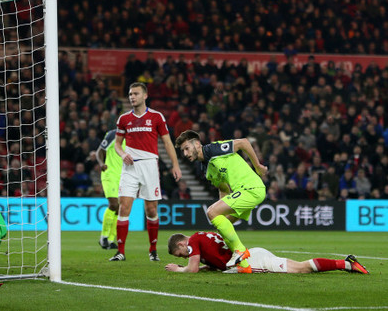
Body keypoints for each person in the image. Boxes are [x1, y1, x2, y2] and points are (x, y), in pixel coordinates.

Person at [174, 130, 267, 273]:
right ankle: (244, 267)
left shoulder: (214, 149)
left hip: (251, 188)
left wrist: (257, 166)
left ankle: (240, 250)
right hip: (243, 193)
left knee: (211, 212)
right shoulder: (207, 170)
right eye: (183, 151)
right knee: (222, 225)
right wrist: (221, 214)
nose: (185, 154)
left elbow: (244, 142)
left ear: (197, 144)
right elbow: (223, 189)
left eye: (187, 148)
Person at [110, 82, 182, 262]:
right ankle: (120, 252)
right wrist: (123, 153)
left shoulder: (156, 117)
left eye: (135, 93)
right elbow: (118, 145)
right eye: (129, 94)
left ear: (145, 95)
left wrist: (175, 165)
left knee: (151, 209)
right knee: (124, 207)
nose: (131, 97)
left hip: (150, 165)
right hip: (130, 167)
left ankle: (152, 250)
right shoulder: (124, 119)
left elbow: (167, 142)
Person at [165, 232, 369, 274]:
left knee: (301, 268)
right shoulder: (203, 236)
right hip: (252, 254)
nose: (184, 257)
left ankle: (347, 264)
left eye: (180, 254)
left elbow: (191, 269)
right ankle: (347, 264)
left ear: (183, 243)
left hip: (251, 261)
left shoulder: (192, 241)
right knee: (300, 267)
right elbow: (213, 262)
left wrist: (178, 269)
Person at [96, 129, 125, 250]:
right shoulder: (113, 134)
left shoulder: (134, 137)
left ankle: (111, 239)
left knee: (120, 208)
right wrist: (101, 163)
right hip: (110, 174)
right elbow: (99, 151)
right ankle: (103, 237)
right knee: (113, 204)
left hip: (123, 175)